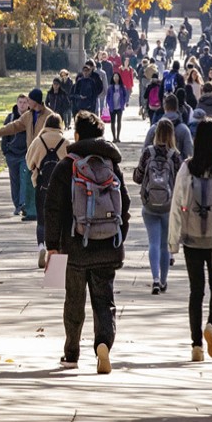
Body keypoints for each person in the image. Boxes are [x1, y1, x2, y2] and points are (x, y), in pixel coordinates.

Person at [45, 111, 130, 375]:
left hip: (75, 248)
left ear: (77, 135)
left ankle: (71, 353)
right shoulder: (110, 165)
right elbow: (124, 204)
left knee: (74, 300)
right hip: (107, 245)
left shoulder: (66, 166)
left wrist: (52, 245)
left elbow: (53, 208)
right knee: (104, 300)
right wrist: (118, 237)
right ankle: (103, 344)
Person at [169, 117, 212, 362]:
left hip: (192, 239)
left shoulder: (187, 168)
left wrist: (172, 242)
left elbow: (176, 205)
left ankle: (196, 345)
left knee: (196, 292)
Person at [0, 89, 55, 222]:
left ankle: (44, 209)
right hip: (31, 154)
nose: (27, 102)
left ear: (35, 101)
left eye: (29, 100)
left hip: (45, 154)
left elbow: (57, 132)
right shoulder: (28, 116)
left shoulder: (49, 115)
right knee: (30, 182)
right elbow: (15, 126)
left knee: (44, 183)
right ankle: (31, 211)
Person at [135, 119, 182, 294]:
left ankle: (154, 278)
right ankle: (163, 281)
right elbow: (180, 180)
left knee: (152, 242)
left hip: (149, 207)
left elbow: (138, 177)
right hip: (168, 206)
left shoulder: (148, 153)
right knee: (164, 245)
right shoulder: (175, 155)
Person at [25, 114, 67, 268]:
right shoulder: (65, 142)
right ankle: (56, 253)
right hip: (61, 188)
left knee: (42, 221)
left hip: (42, 186)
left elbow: (29, 163)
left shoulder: (38, 141)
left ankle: (41, 246)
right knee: (60, 220)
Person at [1, 97, 28, 215]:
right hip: (12, 154)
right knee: (15, 180)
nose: (22, 105)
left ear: (28, 104)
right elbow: (4, 134)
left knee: (24, 178)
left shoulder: (31, 118)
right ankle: (17, 204)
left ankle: (23, 204)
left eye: (25, 102)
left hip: (25, 154)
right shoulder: (10, 118)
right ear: (17, 104)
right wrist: (5, 151)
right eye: (20, 102)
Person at [147, 95, 193, 159]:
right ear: (176, 107)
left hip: (154, 167)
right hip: (177, 167)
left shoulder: (154, 129)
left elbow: (145, 152)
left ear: (164, 107)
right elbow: (189, 153)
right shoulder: (184, 130)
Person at [105, 72, 129, 142]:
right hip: (112, 107)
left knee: (119, 122)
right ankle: (114, 137)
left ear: (119, 78)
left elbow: (125, 95)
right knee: (112, 122)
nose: (116, 78)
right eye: (114, 77)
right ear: (113, 78)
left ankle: (118, 137)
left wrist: (124, 102)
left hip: (119, 107)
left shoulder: (122, 87)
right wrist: (109, 104)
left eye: (117, 77)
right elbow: (108, 97)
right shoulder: (110, 87)